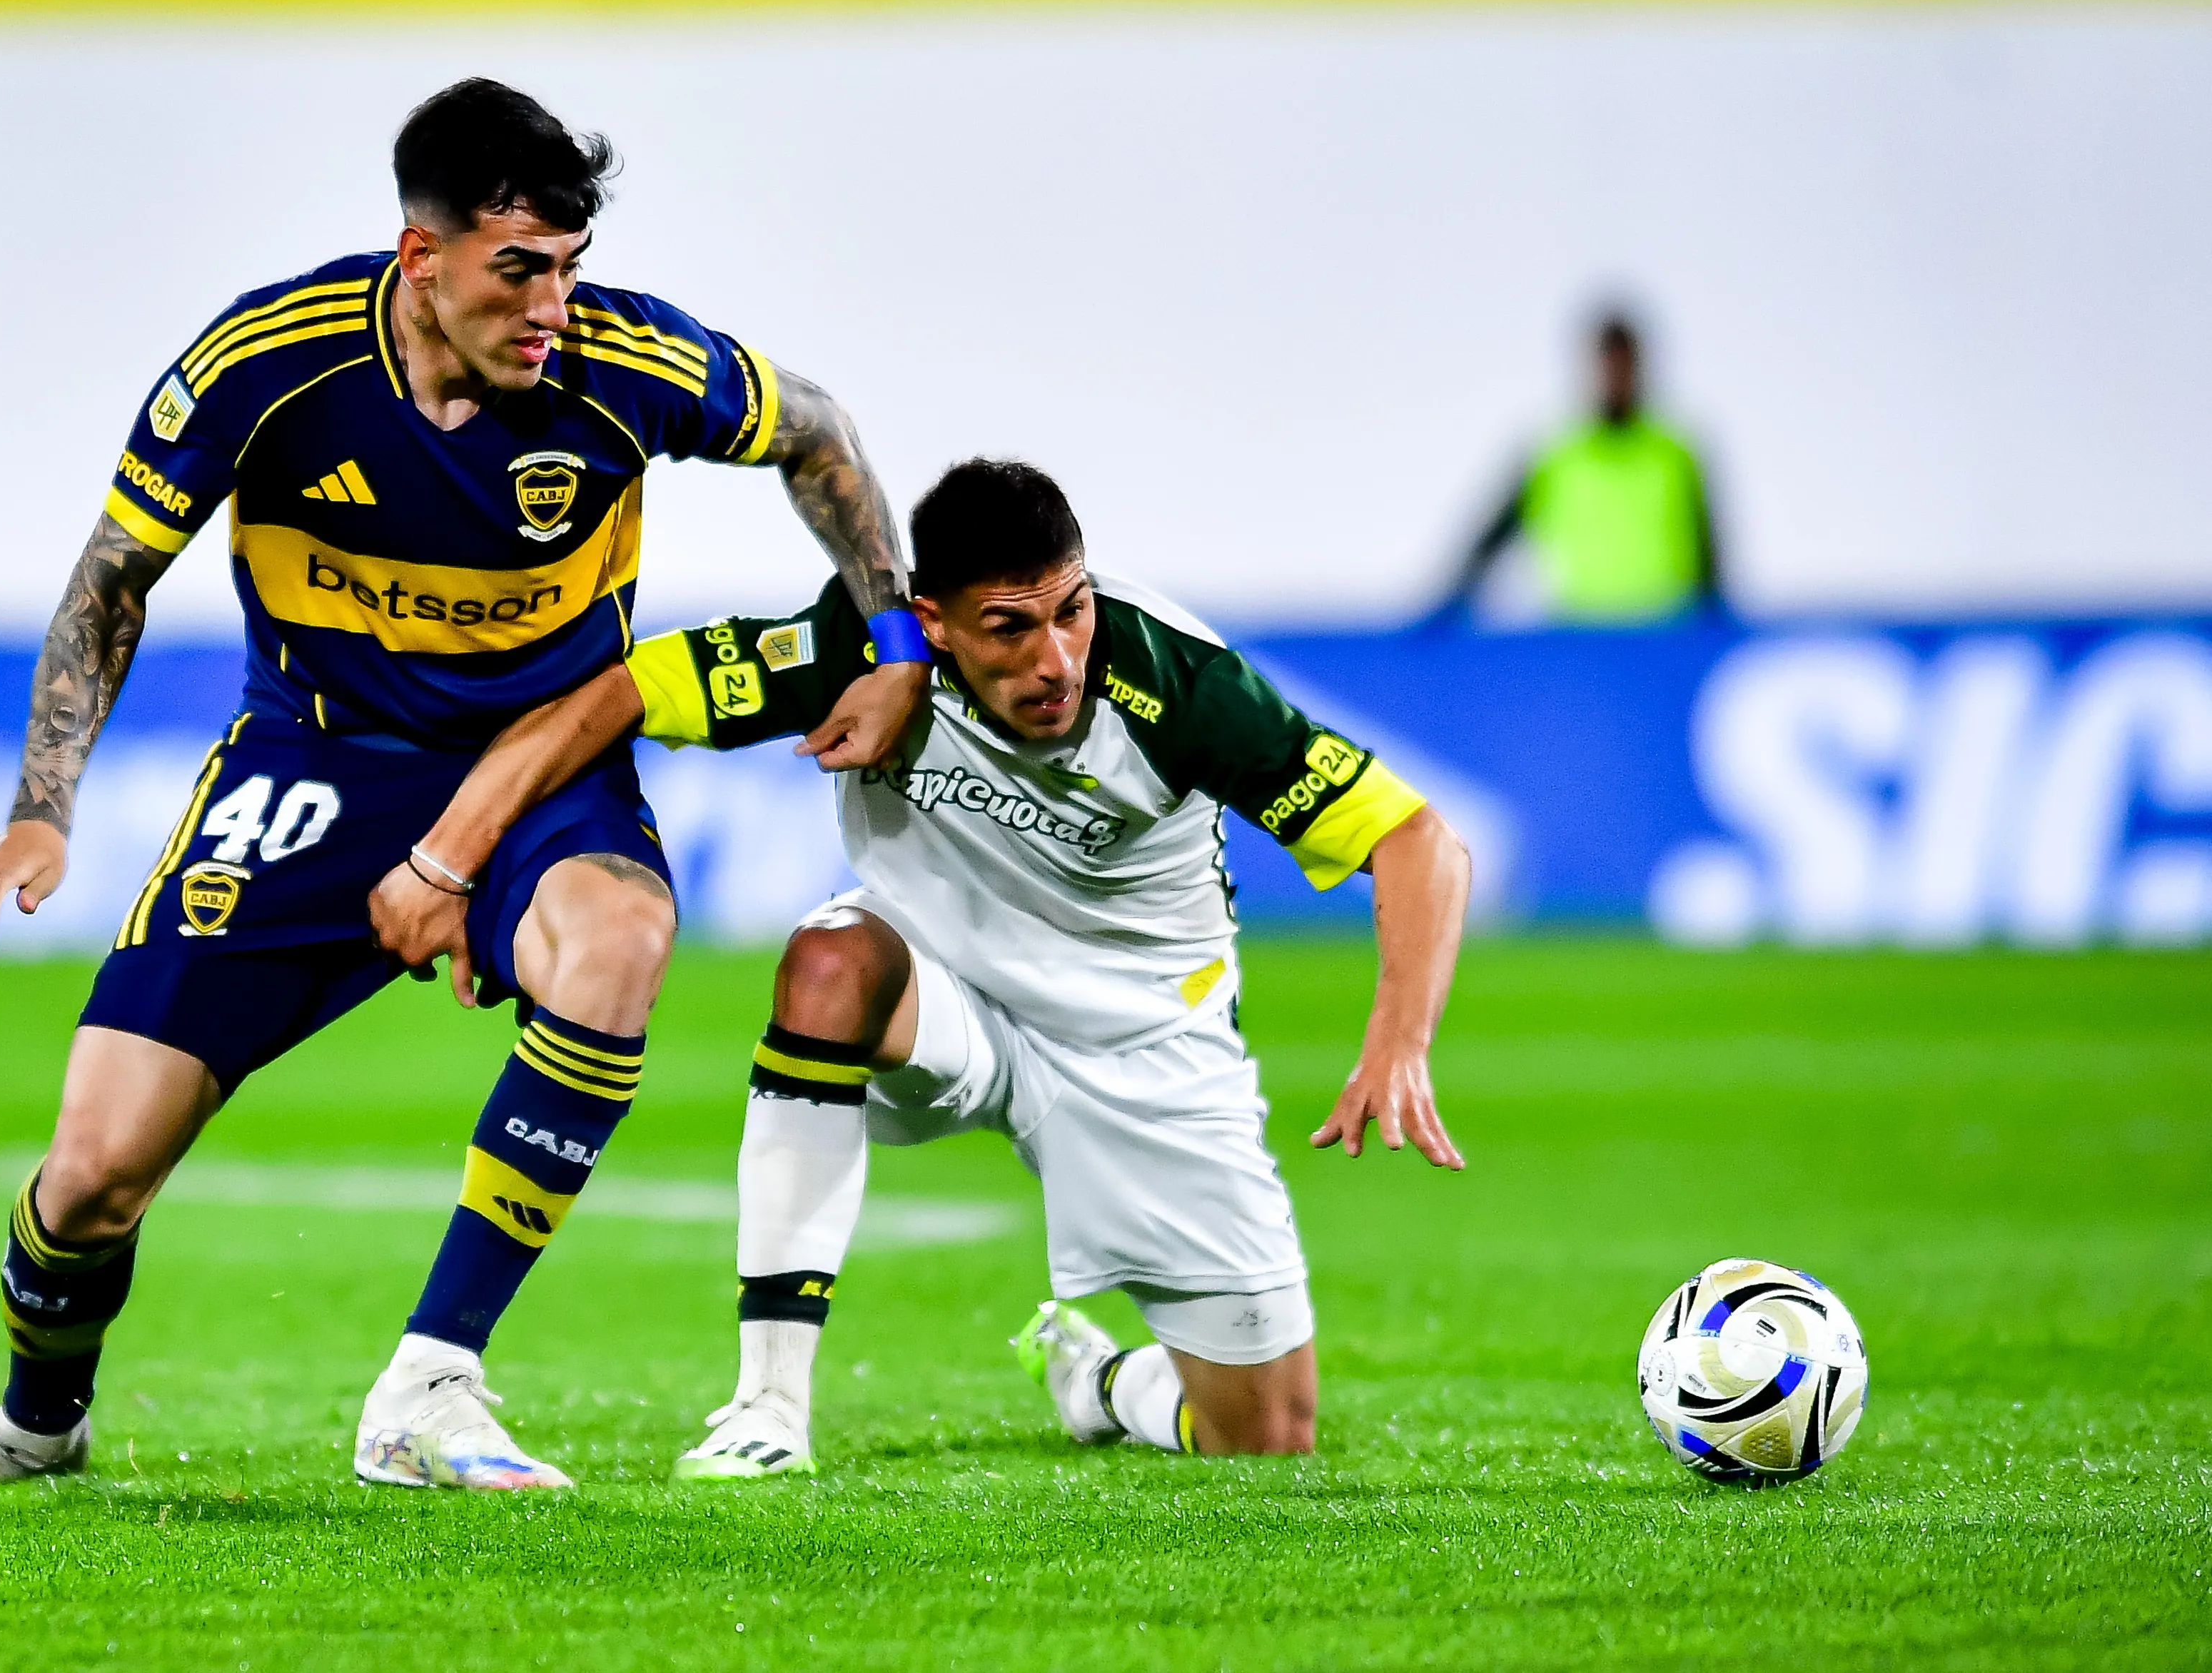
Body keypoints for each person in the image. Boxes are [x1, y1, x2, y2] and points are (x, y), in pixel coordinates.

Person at [0, 78, 928, 1492]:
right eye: (517, 268)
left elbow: (817, 430)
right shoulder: (266, 362)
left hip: (540, 768)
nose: (552, 304)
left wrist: (893, 635)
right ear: (422, 257)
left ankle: (433, 1379)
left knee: (618, 938)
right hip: (310, 761)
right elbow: (114, 573)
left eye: (568, 267)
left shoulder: (629, 363)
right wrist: (44, 802)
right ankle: (38, 1422)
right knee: (95, 1169)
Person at [385, 458, 1471, 1472]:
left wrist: (1401, 1044)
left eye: (1071, 610)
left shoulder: (1177, 684)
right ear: (935, 624)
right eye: (1010, 628)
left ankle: (1103, 1381)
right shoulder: (865, 646)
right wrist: (464, 863)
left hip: (1144, 1048)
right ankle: (768, 1409)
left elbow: (1419, 842)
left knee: (1265, 1437)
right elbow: (624, 693)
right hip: (940, 993)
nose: (1054, 659)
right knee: (826, 962)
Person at [1440, 311, 1724, 625]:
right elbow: (1493, 538)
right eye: (1609, 365)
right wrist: (1450, 603)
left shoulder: (1675, 456)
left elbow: (1710, 557)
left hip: (1663, 633)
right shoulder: (1557, 459)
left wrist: (1715, 621)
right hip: (1581, 633)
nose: (1617, 377)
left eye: (1624, 365)